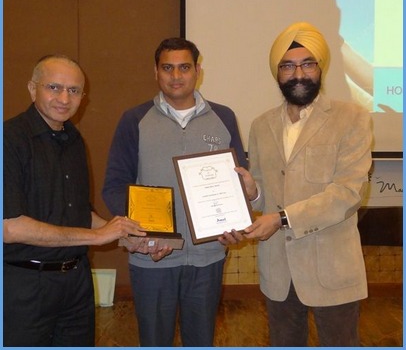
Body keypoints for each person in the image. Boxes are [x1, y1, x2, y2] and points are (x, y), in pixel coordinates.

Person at [220, 22, 372, 346]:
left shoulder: (352, 118)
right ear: (277, 73)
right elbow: (264, 192)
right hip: (279, 272)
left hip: (332, 269)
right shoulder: (261, 125)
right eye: (287, 66)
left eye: (307, 64)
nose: (298, 74)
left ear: (321, 68)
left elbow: (347, 194)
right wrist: (253, 192)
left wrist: (282, 219)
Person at [102, 37, 248, 346]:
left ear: (198, 71)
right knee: (154, 341)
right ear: (156, 72)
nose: (176, 76)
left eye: (184, 67)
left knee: (201, 340)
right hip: (152, 258)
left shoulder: (224, 117)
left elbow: (239, 183)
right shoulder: (134, 119)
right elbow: (114, 186)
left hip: (207, 257)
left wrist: (235, 223)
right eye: (167, 68)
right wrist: (143, 234)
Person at [3, 54, 153, 347]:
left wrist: (123, 235)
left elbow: (80, 213)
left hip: (76, 285)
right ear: (32, 89)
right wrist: (97, 236)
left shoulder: (73, 140)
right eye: (54, 87)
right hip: (24, 286)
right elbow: (10, 227)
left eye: (73, 90)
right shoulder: (8, 140)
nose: (64, 98)